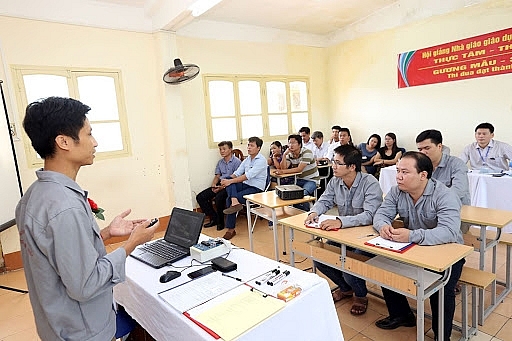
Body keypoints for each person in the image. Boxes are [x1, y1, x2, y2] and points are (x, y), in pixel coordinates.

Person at [15, 97, 158, 341]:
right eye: (89, 134)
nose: (95, 142)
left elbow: (59, 256)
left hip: (56, 325)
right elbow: (85, 284)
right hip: (82, 331)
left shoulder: (34, 195)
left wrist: (105, 234)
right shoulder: (64, 207)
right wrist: (132, 243)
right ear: (64, 142)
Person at [373, 152, 464, 341]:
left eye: (405, 172)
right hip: (414, 247)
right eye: (397, 171)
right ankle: (402, 315)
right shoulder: (397, 191)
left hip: (447, 251)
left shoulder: (445, 195)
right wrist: (383, 226)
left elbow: (449, 232)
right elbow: (381, 214)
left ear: (423, 175)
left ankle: (441, 335)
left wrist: (412, 235)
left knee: (441, 289)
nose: (398, 176)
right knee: (386, 268)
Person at [305, 145, 383, 315]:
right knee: (320, 258)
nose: (333, 166)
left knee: (350, 264)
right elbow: (324, 200)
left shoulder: (370, 183)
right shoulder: (335, 181)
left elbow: (369, 215)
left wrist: (340, 221)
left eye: (338, 163)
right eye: (333, 161)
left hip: (366, 235)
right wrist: (314, 212)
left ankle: (361, 295)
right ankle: (346, 288)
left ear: (352, 167)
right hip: (344, 233)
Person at [221, 136, 267, 240]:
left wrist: (230, 181)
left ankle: (231, 230)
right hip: (245, 185)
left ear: (258, 148)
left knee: (229, 197)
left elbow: (247, 176)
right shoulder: (247, 160)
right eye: (248, 145)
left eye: (252, 146)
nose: (249, 148)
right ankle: (235, 201)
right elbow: (237, 173)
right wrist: (225, 181)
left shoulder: (261, 160)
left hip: (256, 189)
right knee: (229, 179)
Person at [196, 141, 241, 231]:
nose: (222, 151)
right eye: (220, 149)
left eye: (224, 149)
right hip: (220, 184)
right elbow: (217, 175)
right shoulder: (220, 162)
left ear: (230, 149)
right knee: (200, 197)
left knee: (218, 199)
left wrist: (222, 187)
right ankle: (214, 218)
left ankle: (221, 222)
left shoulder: (237, 162)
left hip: (230, 185)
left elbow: (237, 178)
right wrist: (213, 185)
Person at [276, 134, 319, 210]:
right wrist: (284, 155)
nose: (290, 145)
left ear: (299, 144)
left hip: (312, 180)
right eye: (289, 143)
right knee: (286, 193)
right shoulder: (289, 154)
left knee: (302, 194)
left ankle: (307, 212)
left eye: (293, 143)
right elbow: (284, 167)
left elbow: (299, 169)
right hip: (298, 180)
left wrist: (282, 171)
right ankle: (296, 212)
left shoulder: (307, 152)